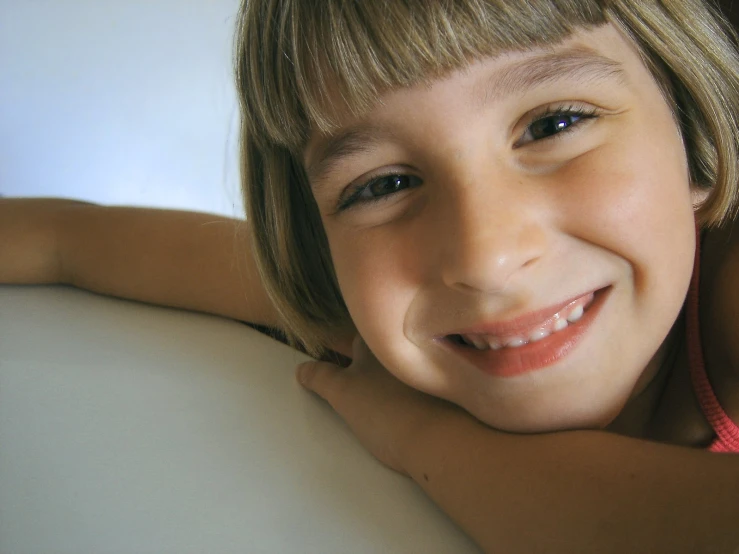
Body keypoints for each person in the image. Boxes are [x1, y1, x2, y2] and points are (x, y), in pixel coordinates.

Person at [3, 0, 739, 551]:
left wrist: (425, 439)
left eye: (553, 124)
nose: (483, 260)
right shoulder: (378, 312)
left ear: (697, 140)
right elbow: (73, 239)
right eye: (382, 185)